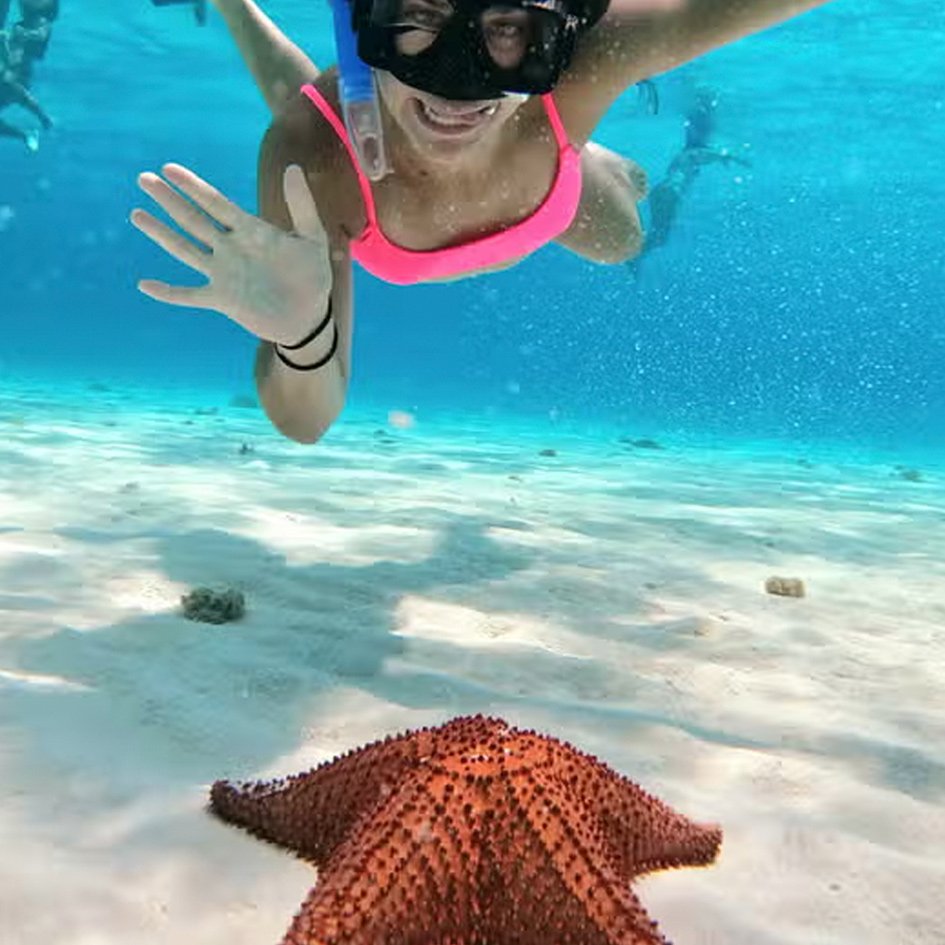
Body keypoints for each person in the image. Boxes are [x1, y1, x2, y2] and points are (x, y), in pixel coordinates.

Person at [133, 0, 832, 445]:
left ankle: (593, 157)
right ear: (365, 18)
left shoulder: (583, 62)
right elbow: (305, 421)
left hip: (560, 195)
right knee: (314, 117)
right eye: (421, 16)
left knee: (626, 243)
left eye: (503, 28)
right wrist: (302, 340)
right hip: (367, 140)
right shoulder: (313, 155)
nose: (455, 86)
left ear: (552, 30)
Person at [628, 85, 751, 274]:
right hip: (670, 192)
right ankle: (632, 255)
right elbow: (699, 155)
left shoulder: (685, 155)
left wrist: (724, 156)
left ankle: (634, 257)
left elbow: (699, 155)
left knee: (659, 236)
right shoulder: (689, 154)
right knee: (659, 236)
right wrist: (728, 156)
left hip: (665, 192)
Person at [0, 0, 58, 152]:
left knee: (10, 83)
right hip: (11, 68)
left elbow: (40, 35)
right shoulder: (22, 26)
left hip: (17, 72)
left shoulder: (40, 24)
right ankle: (28, 132)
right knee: (10, 84)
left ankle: (42, 119)